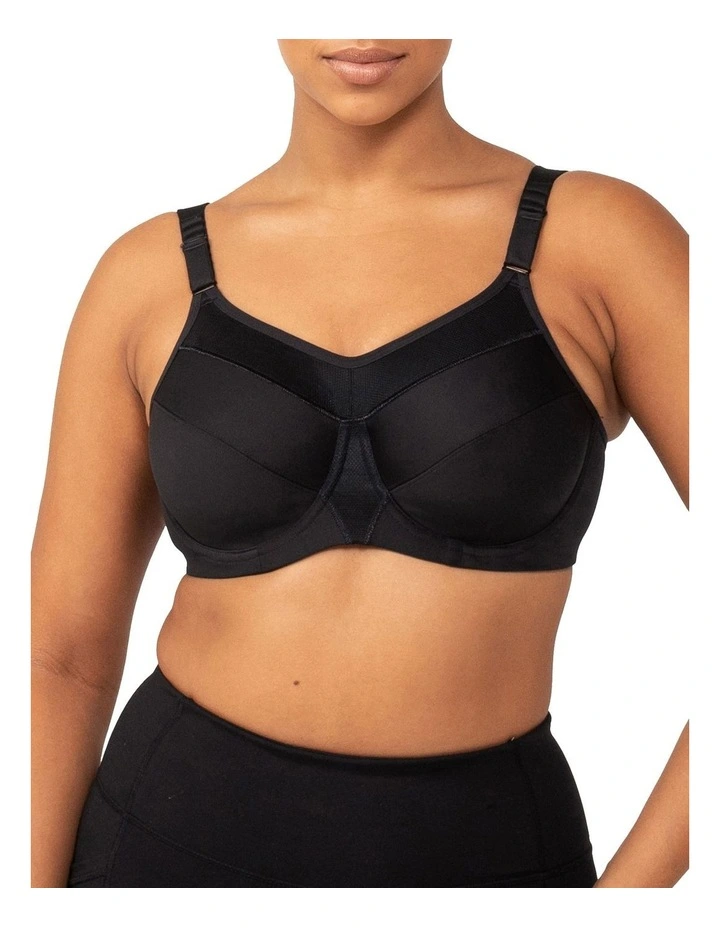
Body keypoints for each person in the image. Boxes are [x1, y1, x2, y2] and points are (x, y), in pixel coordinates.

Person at [31, 39, 689, 888]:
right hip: (164, 840)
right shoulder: (146, 276)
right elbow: (62, 658)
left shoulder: (600, 242)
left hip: (488, 859)